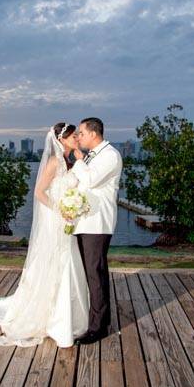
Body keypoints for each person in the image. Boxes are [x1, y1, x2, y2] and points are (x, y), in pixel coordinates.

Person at [0, 122, 90, 347]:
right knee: (55, 261)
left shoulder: (69, 160)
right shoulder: (55, 161)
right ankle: (50, 316)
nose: (76, 138)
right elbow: (39, 192)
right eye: (73, 136)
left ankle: (67, 316)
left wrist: (72, 205)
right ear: (62, 139)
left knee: (67, 263)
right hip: (56, 219)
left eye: (77, 135)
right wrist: (60, 210)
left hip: (66, 220)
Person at [71, 117, 123, 345]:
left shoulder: (111, 155)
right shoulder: (94, 155)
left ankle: (98, 327)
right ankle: (96, 318)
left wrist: (79, 160)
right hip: (84, 221)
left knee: (95, 272)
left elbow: (90, 180)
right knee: (89, 272)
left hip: (97, 223)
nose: (78, 137)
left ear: (93, 134)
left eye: (81, 133)